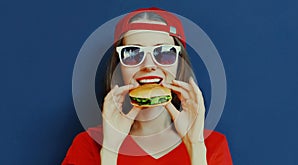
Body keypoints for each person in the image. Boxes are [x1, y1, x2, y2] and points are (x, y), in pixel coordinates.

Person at [62, 7, 233, 165]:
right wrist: (109, 150)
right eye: (133, 53)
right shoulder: (88, 144)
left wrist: (195, 146)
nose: (148, 65)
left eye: (164, 52)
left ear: (180, 65)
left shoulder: (212, 145)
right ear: (119, 68)